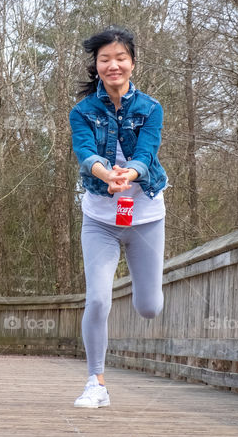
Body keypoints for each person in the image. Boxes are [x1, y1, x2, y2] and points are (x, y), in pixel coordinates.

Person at [68, 26, 167, 408]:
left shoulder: (151, 109)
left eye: (120, 58)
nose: (113, 65)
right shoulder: (83, 111)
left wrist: (132, 173)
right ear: (96, 65)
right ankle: (96, 382)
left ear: (132, 63)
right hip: (100, 219)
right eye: (105, 59)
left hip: (145, 217)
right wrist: (105, 174)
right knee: (97, 300)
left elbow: (147, 150)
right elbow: (85, 151)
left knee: (149, 307)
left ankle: (145, 287)